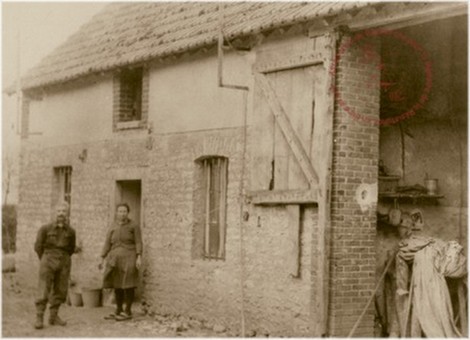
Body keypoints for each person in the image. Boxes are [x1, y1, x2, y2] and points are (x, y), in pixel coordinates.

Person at [34, 201, 76, 329]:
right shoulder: (45, 229)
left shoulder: (71, 231)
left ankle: (53, 316)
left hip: (64, 260)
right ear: (54, 213)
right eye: (58, 211)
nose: (61, 214)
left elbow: (71, 248)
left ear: (67, 213)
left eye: (63, 211)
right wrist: (45, 259)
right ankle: (39, 317)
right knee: (44, 288)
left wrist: (64, 258)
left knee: (61, 289)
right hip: (48, 258)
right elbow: (38, 246)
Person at [99, 203, 142, 321]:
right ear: (116, 213)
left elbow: (138, 242)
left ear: (128, 213)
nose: (122, 213)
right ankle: (118, 309)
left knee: (128, 284)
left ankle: (128, 310)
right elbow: (107, 243)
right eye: (120, 211)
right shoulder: (112, 226)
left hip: (129, 256)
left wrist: (139, 257)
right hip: (114, 258)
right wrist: (102, 257)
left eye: (124, 211)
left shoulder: (134, 226)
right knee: (117, 284)